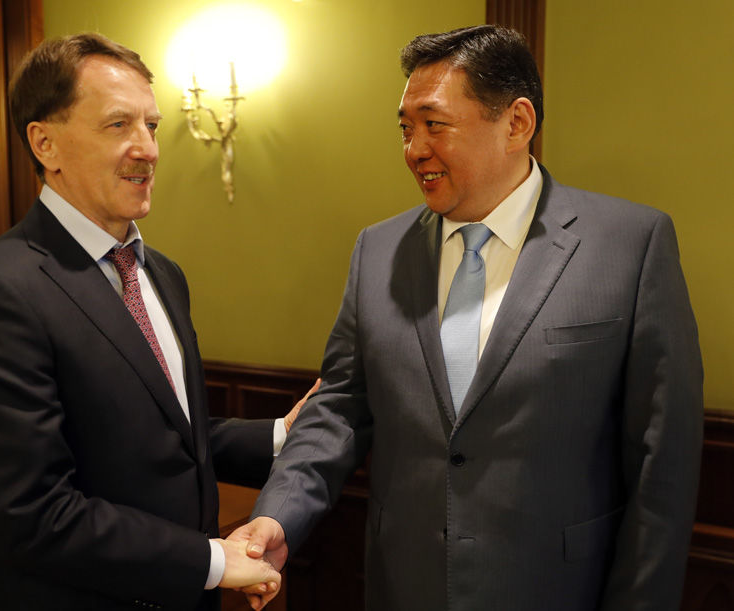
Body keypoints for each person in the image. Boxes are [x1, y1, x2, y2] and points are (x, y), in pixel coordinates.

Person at [230, 24, 703, 611]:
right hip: (406, 587)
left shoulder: (630, 245)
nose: (414, 149)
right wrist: (277, 515)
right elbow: (339, 408)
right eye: (406, 129)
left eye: (434, 124)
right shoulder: (377, 250)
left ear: (517, 123)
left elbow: (663, 463)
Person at [0, 32, 316, 611]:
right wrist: (212, 562)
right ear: (44, 143)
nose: (148, 149)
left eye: (152, 126)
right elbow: (34, 516)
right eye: (118, 125)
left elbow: (163, 436)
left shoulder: (162, 273)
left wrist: (282, 434)